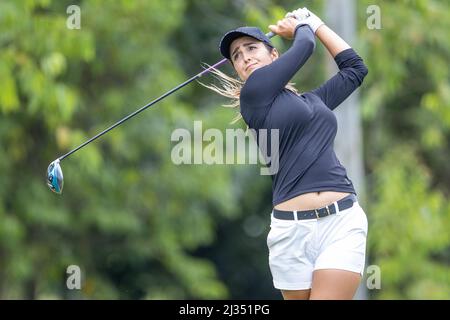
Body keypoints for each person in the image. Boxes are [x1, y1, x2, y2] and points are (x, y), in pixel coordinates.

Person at [210, 8, 369, 299]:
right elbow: (305, 45)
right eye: (236, 55)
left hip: (341, 222)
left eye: (251, 48)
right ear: (237, 70)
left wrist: (317, 23)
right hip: (291, 231)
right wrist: (300, 25)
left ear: (274, 56)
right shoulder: (253, 95)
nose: (244, 56)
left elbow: (355, 69)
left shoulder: (314, 102)